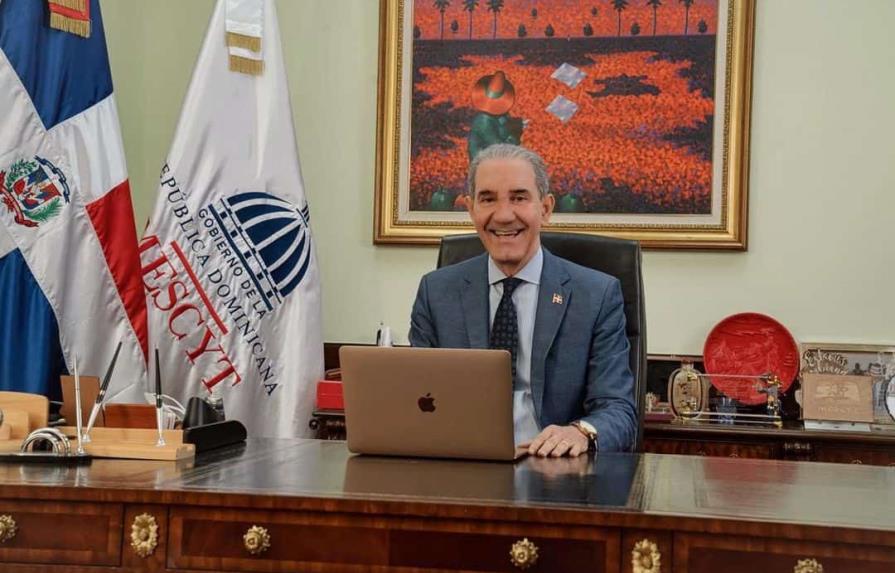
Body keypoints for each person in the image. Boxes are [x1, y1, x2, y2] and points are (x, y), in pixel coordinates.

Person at [409, 144, 636, 456]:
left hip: (556, 475)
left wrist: (580, 432)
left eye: (518, 197)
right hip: (464, 469)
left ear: (545, 209)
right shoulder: (436, 293)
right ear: (471, 210)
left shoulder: (596, 295)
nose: (503, 215)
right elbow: (416, 401)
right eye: (488, 199)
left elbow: (618, 412)